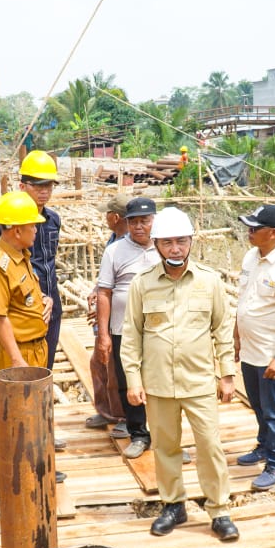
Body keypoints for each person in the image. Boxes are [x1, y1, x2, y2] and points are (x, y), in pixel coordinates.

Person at [121, 206, 239, 542]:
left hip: (199, 381)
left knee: (210, 446)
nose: (176, 248)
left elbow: (222, 329)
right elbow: (131, 336)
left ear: (191, 243)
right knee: (165, 447)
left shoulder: (209, 281)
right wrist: (133, 380)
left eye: (182, 241)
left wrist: (227, 374)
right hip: (157, 384)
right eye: (168, 242)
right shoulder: (142, 285)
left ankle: (219, 510)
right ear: (156, 245)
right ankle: (173, 505)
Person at [0, 190, 65, 483]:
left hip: (35, 348)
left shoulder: (20, 256)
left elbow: (25, 297)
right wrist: (16, 360)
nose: (36, 230)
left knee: (35, 415)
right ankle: (23, 477)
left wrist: (46, 300)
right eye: (32, 226)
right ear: (16, 231)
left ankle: (38, 465)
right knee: (19, 418)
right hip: (18, 352)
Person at [233, 204, 275, 491]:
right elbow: (244, 300)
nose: (249, 231)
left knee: (274, 410)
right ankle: (263, 446)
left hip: (270, 354)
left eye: (254, 227)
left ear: (273, 233)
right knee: (257, 405)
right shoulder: (251, 256)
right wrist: (237, 337)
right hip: (249, 349)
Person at [95, 196, 160, 460]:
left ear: (154, 221)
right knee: (126, 382)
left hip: (159, 330)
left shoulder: (166, 247)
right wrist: (104, 334)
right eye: (134, 222)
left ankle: (165, 438)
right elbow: (104, 292)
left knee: (162, 383)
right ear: (126, 223)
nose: (139, 227)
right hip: (123, 330)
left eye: (145, 221)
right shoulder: (115, 251)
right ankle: (138, 435)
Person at [0, 150, 62, 368]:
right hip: (19, 314)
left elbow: (49, 264)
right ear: (22, 186)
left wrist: (49, 299)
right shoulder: (2, 226)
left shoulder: (53, 220)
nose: (44, 192)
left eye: (49, 186)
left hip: (49, 306)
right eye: (38, 186)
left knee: (45, 366)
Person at [84, 194, 130, 433]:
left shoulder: (130, 245)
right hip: (107, 314)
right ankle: (106, 411)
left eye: (106, 215)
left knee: (115, 369)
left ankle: (123, 417)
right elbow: (108, 280)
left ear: (115, 217)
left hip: (120, 317)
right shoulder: (113, 240)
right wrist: (96, 290)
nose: (104, 218)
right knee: (99, 364)